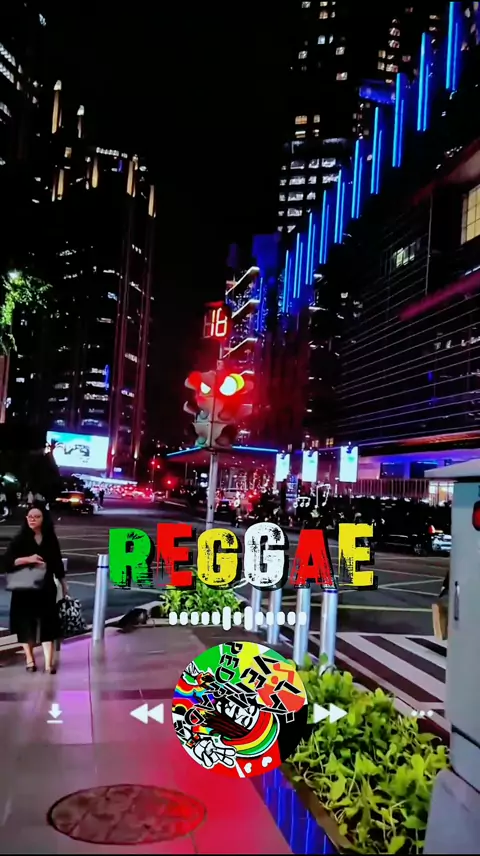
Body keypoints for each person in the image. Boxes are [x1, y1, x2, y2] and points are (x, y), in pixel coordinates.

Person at [3, 505, 68, 673]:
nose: (32, 519)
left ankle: (49, 664)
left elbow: (57, 562)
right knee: (25, 624)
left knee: (48, 624)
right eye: (29, 516)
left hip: (46, 587)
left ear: (43, 519)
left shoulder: (50, 538)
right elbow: (6, 562)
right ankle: (30, 660)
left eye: (36, 516)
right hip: (24, 588)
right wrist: (28, 559)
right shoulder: (20, 539)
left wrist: (63, 584)